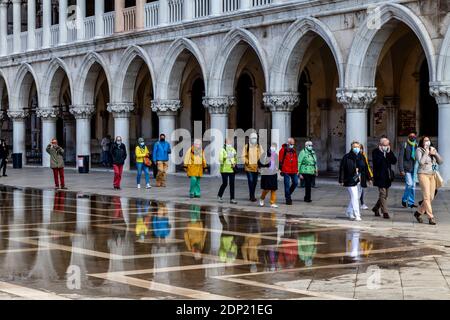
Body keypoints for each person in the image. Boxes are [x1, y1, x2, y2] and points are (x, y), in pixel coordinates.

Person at [413, 137, 443, 225]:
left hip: (432, 175)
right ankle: (431, 217)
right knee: (426, 196)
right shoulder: (419, 150)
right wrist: (426, 153)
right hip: (423, 174)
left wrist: (435, 154)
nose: (427, 142)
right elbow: (421, 162)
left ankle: (418, 213)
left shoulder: (432, 149)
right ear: (422, 142)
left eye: (428, 140)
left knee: (431, 197)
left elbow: (441, 162)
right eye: (425, 140)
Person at [339, 141, 367, 221]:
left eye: (358, 147)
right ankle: (357, 214)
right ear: (351, 147)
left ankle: (349, 211)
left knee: (356, 197)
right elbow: (342, 169)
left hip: (360, 179)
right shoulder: (347, 157)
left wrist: (369, 178)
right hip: (350, 179)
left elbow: (365, 168)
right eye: (354, 147)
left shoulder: (362, 156)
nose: (356, 148)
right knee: (354, 197)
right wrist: (341, 180)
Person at [372, 137, 397, 219]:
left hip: (387, 176)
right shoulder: (375, 152)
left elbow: (394, 161)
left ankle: (376, 208)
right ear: (380, 145)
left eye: (387, 145)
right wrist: (383, 154)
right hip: (379, 176)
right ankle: (385, 212)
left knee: (385, 195)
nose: (386, 146)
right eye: (384, 145)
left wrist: (389, 153)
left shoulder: (389, 152)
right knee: (382, 194)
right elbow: (377, 162)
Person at [398, 132, 418, 208]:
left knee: (413, 186)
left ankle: (411, 203)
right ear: (408, 136)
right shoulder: (405, 144)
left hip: (415, 169)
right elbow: (400, 157)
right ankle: (404, 199)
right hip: (407, 168)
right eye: (411, 136)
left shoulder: (417, 145)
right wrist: (401, 169)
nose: (412, 137)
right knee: (409, 184)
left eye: (414, 136)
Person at [243, 132, 262, 202]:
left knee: (254, 182)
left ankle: (252, 194)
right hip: (248, 168)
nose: (254, 139)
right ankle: (252, 196)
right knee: (250, 181)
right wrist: (247, 162)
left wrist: (261, 164)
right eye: (253, 138)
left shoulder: (258, 146)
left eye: (255, 138)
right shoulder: (246, 146)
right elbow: (243, 156)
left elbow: (261, 156)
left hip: (256, 168)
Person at [258, 142, 279, 208]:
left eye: (275, 147)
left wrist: (277, 167)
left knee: (273, 189)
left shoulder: (275, 155)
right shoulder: (264, 155)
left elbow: (278, 164)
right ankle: (262, 198)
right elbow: (259, 163)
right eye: (272, 147)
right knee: (266, 189)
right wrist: (266, 165)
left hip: (273, 174)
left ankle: (272, 202)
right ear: (270, 147)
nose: (273, 148)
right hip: (266, 174)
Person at [279, 137, 298, 205]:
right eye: (291, 144)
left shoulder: (293, 150)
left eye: (293, 144)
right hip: (286, 170)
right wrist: (281, 169)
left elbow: (296, 160)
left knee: (295, 183)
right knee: (286, 185)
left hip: (293, 170)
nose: (292, 145)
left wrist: (297, 169)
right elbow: (280, 160)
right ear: (288, 143)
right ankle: (288, 199)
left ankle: (288, 194)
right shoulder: (283, 150)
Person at [218, 138, 238, 204]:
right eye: (228, 141)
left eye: (230, 141)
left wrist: (235, 163)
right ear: (225, 142)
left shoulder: (233, 149)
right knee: (225, 183)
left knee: (232, 184)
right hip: (224, 169)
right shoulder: (222, 149)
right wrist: (226, 156)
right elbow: (220, 159)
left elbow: (235, 158)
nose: (230, 143)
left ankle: (232, 199)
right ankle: (219, 196)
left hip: (231, 169)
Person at [359, 144, 373, 210]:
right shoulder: (352, 156)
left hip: (362, 176)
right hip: (356, 177)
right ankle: (359, 203)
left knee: (361, 190)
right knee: (356, 192)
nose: (360, 150)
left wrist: (369, 178)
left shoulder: (363, 156)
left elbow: (366, 167)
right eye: (359, 148)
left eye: (361, 148)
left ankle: (362, 203)